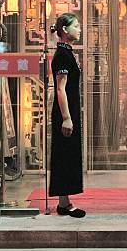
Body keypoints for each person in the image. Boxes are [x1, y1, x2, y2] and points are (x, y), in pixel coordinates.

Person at [49, 13, 86, 218]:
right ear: (65, 30)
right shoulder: (62, 55)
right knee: (64, 155)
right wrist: (66, 117)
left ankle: (65, 201)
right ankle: (64, 203)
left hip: (69, 110)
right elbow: (60, 89)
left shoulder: (67, 52)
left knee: (68, 154)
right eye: (76, 26)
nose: (79, 29)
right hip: (65, 112)